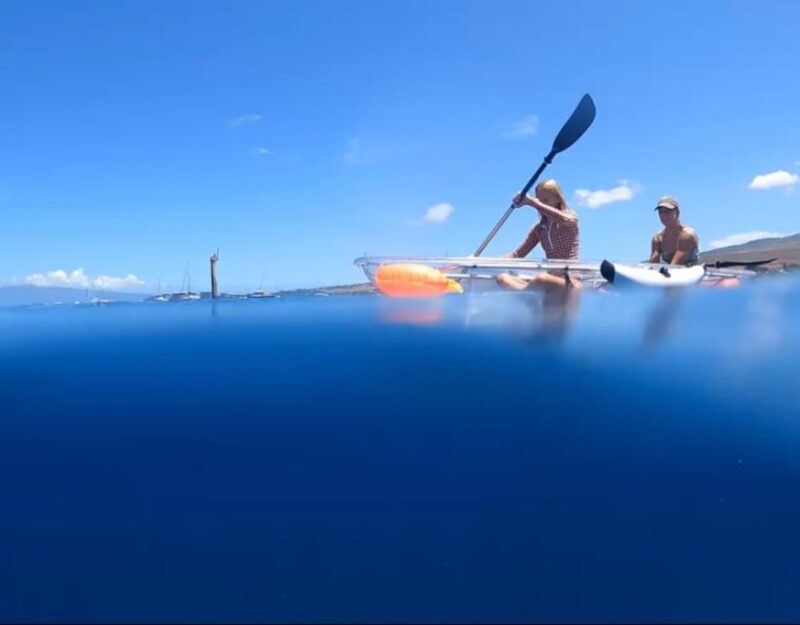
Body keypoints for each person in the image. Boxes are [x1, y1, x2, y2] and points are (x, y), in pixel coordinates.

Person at [496, 179, 580, 290]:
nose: (541, 204)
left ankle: (530, 295)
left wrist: (532, 202)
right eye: (539, 200)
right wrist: (484, 262)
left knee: (542, 279)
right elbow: (517, 254)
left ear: (557, 199)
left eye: (545, 200)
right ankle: (530, 296)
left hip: (570, 280)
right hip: (549, 280)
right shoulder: (539, 229)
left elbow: (565, 219)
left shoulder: (570, 217)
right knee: (502, 278)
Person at [650, 195, 699, 266]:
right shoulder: (657, 238)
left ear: (677, 213)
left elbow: (674, 265)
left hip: (688, 274)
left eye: (667, 211)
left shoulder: (687, 235)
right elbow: (653, 265)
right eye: (661, 212)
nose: (663, 215)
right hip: (669, 274)